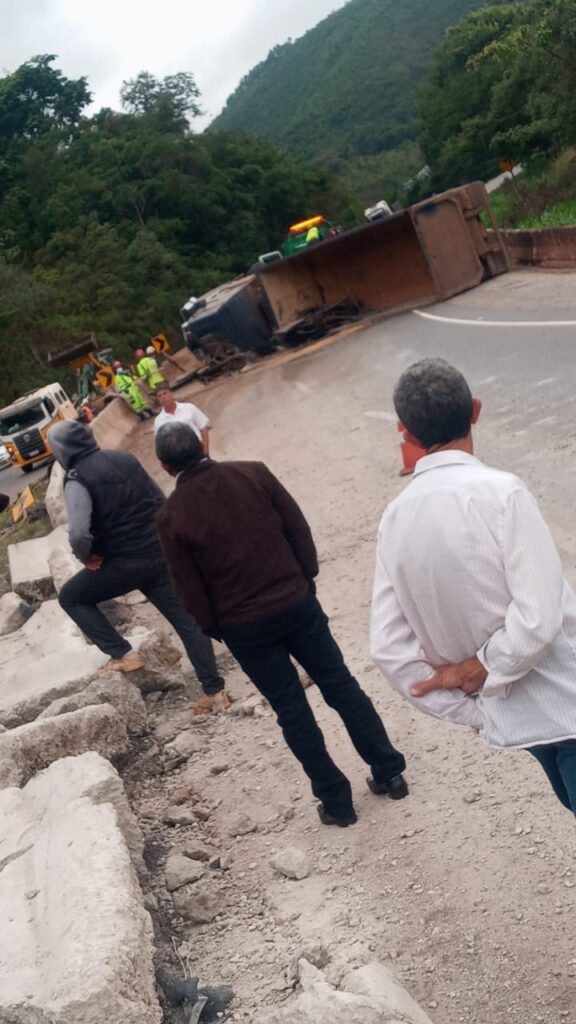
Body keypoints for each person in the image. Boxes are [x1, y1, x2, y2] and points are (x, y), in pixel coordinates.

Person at [155, 421, 407, 827]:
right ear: (204, 443)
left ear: (166, 468)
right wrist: (305, 579)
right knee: (340, 685)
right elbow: (297, 527)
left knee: (291, 711)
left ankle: (337, 804)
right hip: (296, 602)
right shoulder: (253, 472)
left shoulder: (171, 518)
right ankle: (389, 771)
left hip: (244, 627)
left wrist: (216, 627)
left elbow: (188, 590)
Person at [370, 357, 576, 814]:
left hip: (518, 721)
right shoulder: (503, 494)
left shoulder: (395, 520)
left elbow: (388, 649)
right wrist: (479, 666)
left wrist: (475, 710)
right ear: (476, 410)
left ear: (405, 431)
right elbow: (540, 619)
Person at [47, 420, 230, 714]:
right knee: (187, 622)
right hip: (159, 553)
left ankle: (122, 653)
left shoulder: (76, 479)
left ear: (62, 449)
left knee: (71, 597)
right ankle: (214, 692)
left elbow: (79, 532)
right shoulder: (125, 459)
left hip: (121, 563)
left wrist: (86, 556)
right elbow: (159, 499)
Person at [153, 383, 211, 454]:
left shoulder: (188, 408)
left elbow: (203, 429)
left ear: (171, 393)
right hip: (179, 459)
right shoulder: (159, 421)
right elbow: (160, 445)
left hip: (198, 450)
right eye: (159, 396)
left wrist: (206, 453)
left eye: (165, 393)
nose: (163, 397)